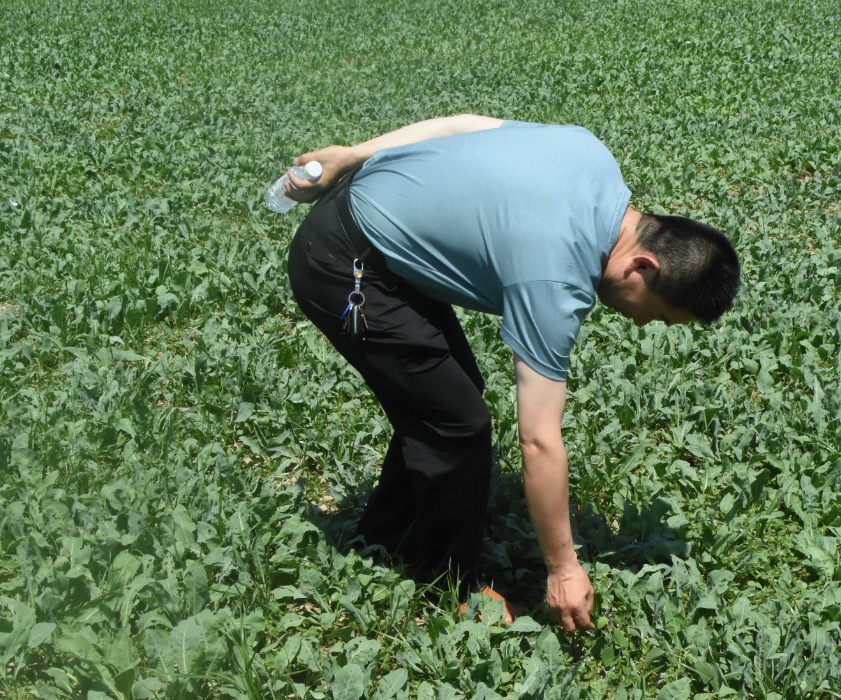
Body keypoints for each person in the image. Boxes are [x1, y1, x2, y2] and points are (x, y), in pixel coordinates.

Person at [281, 115, 739, 631]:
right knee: (457, 423)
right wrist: (563, 569)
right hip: (344, 268)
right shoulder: (556, 274)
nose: (639, 322)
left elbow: (459, 125)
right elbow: (539, 440)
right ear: (645, 267)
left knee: (446, 405)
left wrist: (351, 153)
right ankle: (448, 581)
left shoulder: (590, 156)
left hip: (372, 232)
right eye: (654, 313)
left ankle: (386, 535)